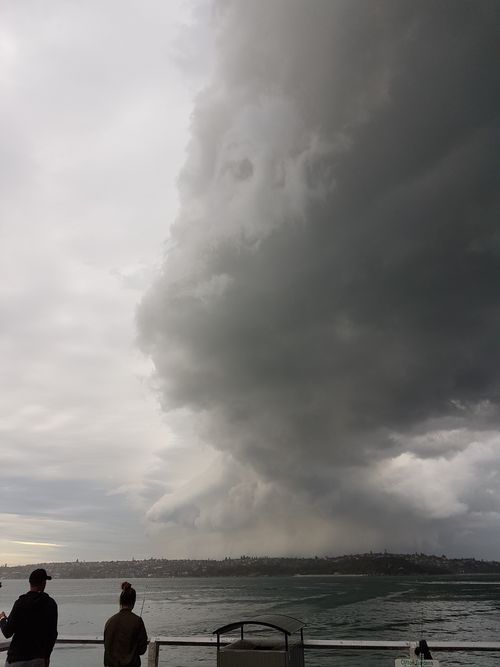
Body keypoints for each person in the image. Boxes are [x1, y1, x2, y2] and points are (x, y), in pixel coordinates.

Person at [0, 568, 58, 667]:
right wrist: (46, 656)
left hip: (16, 658)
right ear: (44, 583)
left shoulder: (20, 603)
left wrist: (2, 619)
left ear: (30, 583)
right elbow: (52, 634)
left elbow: (7, 632)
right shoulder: (50, 604)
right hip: (38, 659)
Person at [104, 581, 148, 667]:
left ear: (120, 601)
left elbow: (107, 646)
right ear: (133, 602)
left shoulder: (110, 621)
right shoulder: (137, 621)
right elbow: (142, 649)